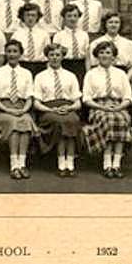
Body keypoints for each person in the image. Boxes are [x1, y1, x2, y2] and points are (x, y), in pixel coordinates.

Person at [82, 41, 132, 179]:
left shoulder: (121, 74)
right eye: (102, 52)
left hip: (118, 105)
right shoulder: (91, 74)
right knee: (108, 120)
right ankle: (107, 164)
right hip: (98, 106)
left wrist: (119, 107)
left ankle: (116, 164)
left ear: (113, 56)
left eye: (108, 52)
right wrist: (102, 107)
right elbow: (86, 98)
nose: (105, 55)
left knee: (122, 119)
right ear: (97, 56)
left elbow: (128, 97)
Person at [0, 40, 38, 180]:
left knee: (26, 121)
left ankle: (21, 164)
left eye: (15, 51)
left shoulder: (26, 73)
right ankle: (13, 165)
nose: (12, 54)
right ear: (5, 53)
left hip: (22, 107)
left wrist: (24, 109)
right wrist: (7, 109)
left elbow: (29, 96)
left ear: (20, 54)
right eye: (9, 51)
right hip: (3, 109)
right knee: (14, 124)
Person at [33, 44, 82, 177]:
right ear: (47, 56)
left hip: (67, 108)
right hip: (48, 110)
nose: (55, 58)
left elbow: (78, 102)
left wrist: (70, 107)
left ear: (62, 57)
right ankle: (61, 163)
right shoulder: (40, 76)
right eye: (52, 55)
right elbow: (36, 103)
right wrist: (51, 109)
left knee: (73, 120)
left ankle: (70, 163)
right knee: (60, 122)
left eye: (58, 55)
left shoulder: (71, 76)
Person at [90, 12, 132, 130]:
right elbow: (93, 64)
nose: (113, 25)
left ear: (120, 25)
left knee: (125, 109)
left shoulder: (128, 43)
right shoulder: (96, 43)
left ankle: (125, 140)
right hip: (102, 75)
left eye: (116, 22)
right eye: (110, 22)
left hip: (122, 76)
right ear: (105, 25)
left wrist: (125, 79)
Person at [53, 4, 90, 88]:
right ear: (64, 18)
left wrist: (88, 72)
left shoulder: (84, 35)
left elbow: (87, 56)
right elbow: (55, 55)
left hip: (80, 66)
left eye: (75, 16)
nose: (72, 19)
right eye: (69, 16)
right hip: (65, 65)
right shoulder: (58, 36)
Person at [11, 3, 50, 78]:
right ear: (22, 17)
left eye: (33, 15)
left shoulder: (44, 34)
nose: (30, 18)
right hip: (23, 64)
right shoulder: (17, 34)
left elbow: (47, 54)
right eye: (27, 15)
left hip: (40, 66)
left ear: (37, 17)